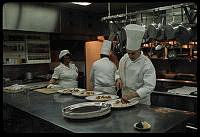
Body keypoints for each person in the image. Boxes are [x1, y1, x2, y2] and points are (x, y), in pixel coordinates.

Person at [115, 24, 156, 105]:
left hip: (140, 102)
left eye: (133, 53)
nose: (130, 56)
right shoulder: (124, 59)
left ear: (139, 50)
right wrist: (118, 79)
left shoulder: (146, 64)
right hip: (125, 100)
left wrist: (132, 95)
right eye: (128, 53)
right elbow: (118, 73)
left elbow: (149, 86)